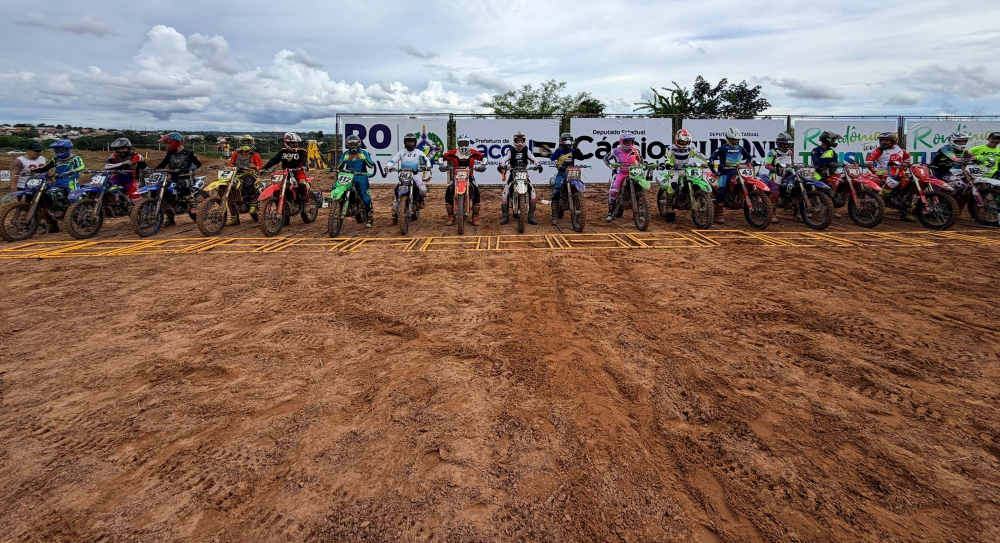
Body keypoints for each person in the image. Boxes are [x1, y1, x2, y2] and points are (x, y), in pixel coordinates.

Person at [32, 140, 85, 233]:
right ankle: (57, 212)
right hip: (58, 182)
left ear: (68, 149)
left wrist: (73, 171)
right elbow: (44, 167)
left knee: (75, 199)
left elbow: (82, 167)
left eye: (61, 149)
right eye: (57, 149)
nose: (59, 151)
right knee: (49, 195)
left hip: (71, 182)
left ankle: (83, 218)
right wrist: (31, 171)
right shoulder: (55, 159)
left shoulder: (75, 158)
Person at [263, 132, 314, 226]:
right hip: (285, 173)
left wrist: (304, 165)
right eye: (292, 143)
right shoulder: (283, 151)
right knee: (279, 189)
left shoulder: (302, 151)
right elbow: (274, 160)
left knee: (301, 186)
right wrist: (264, 168)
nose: (295, 144)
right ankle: (285, 216)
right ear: (287, 143)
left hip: (298, 172)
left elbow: (304, 159)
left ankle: (306, 203)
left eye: (296, 143)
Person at [153, 132, 202, 227]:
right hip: (174, 177)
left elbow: (198, 163)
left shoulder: (189, 153)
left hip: (186, 176)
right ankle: (170, 219)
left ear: (176, 142)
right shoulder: (170, 153)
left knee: (182, 185)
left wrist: (194, 167)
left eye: (169, 143)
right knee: (163, 190)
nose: (168, 145)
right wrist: (154, 170)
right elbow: (163, 163)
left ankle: (193, 205)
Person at [707, 128, 752, 224]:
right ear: (728, 139)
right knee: (721, 190)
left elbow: (749, 156)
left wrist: (748, 163)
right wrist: (713, 169)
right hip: (724, 172)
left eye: (737, 140)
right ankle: (719, 214)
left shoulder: (740, 148)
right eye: (733, 140)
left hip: (737, 172)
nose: (735, 142)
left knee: (748, 183)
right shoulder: (722, 148)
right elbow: (711, 158)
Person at [661, 128, 710, 217]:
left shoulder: (689, 148)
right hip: (674, 170)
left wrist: (707, 160)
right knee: (673, 185)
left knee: (697, 179)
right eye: (682, 141)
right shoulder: (671, 148)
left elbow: (699, 154)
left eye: (686, 141)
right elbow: (667, 156)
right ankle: (669, 206)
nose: (684, 143)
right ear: (677, 140)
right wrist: (668, 163)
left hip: (686, 170)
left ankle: (699, 201)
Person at [386, 132, 431, 226]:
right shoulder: (401, 152)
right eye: (408, 142)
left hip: (415, 174)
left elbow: (426, 160)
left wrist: (427, 167)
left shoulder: (419, 152)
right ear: (405, 143)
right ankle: (394, 217)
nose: (410, 143)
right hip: (404, 174)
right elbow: (393, 160)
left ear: (414, 143)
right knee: (397, 191)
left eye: (411, 142)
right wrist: (388, 166)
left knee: (423, 189)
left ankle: (419, 201)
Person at [441, 133, 485, 226]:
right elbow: (443, 156)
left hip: (469, 175)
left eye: (465, 143)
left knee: (476, 190)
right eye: (461, 143)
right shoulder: (454, 152)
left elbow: (483, 157)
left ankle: (475, 216)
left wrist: (483, 165)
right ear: (458, 143)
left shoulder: (472, 152)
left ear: (468, 143)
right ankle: (450, 216)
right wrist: (441, 164)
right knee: (448, 190)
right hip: (455, 176)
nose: (464, 145)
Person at [498, 131, 541, 225]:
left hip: (524, 173)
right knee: (505, 193)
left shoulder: (526, 150)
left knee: (532, 191)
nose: (520, 143)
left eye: (521, 141)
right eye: (518, 141)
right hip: (513, 173)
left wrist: (539, 165)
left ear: (524, 141)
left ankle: (531, 216)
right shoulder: (511, 151)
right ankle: (505, 217)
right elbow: (504, 159)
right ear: (515, 141)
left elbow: (533, 158)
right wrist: (501, 165)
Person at [603, 131, 645, 222]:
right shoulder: (616, 151)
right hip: (620, 173)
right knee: (614, 190)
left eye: (630, 142)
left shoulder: (635, 151)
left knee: (640, 189)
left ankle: (641, 213)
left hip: (633, 173)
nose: (629, 144)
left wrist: (643, 165)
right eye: (627, 142)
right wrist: (612, 168)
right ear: (622, 142)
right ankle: (610, 212)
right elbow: (605, 159)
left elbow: (641, 161)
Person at [336, 134, 375, 227]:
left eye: (354, 144)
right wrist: (343, 160)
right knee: (339, 188)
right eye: (351, 144)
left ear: (358, 143)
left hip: (361, 176)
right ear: (347, 144)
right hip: (349, 176)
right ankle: (344, 206)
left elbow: (371, 165)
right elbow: (339, 167)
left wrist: (365, 158)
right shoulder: (345, 153)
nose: (353, 146)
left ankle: (369, 216)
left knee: (366, 197)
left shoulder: (363, 153)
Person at [227, 135, 264, 226]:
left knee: (248, 184)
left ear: (251, 143)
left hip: (249, 174)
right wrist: (230, 167)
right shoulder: (236, 154)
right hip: (236, 174)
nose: (245, 144)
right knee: (230, 191)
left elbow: (260, 167)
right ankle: (234, 217)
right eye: (244, 142)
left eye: (248, 142)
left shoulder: (254, 155)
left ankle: (253, 203)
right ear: (240, 143)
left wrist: (255, 167)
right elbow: (230, 164)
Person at [762, 132, 795, 222]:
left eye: (787, 144)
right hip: (775, 174)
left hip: (788, 174)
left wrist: (796, 166)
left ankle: (798, 212)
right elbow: (767, 165)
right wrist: (776, 169)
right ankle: (772, 213)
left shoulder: (790, 152)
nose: (786, 146)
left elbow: (792, 163)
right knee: (775, 192)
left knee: (797, 188)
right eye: (784, 144)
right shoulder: (772, 152)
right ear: (779, 143)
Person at [865, 132, 911, 196]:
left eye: (886, 140)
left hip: (899, 172)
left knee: (911, 180)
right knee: (894, 180)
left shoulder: (901, 150)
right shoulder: (879, 150)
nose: (883, 142)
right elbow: (868, 162)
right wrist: (875, 172)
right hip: (884, 172)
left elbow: (907, 161)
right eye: (882, 140)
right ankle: (881, 196)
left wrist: (904, 169)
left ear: (894, 141)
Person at [105, 137, 147, 203]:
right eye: (118, 149)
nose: (120, 150)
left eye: (123, 148)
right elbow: (107, 166)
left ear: (128, 148)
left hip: (131, 180)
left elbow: (145, 169)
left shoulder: (137, 156)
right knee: (107, 189)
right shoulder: (113, 156)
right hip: (117, 178)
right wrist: (122, 163)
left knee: (136, 200)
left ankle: (140, 207)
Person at [548, 132, 577, 225]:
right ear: (562, 141)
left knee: (577, 188)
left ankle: (578, 205)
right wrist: (558, 149)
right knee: (555, 192)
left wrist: (577, 149)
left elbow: (581, 157)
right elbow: (552, 158)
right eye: (565, 140)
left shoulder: (573, 150)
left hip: (571, 172)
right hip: (561, 173)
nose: (567, 142)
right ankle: (554, 217)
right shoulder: (559, 150)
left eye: (569, 140)